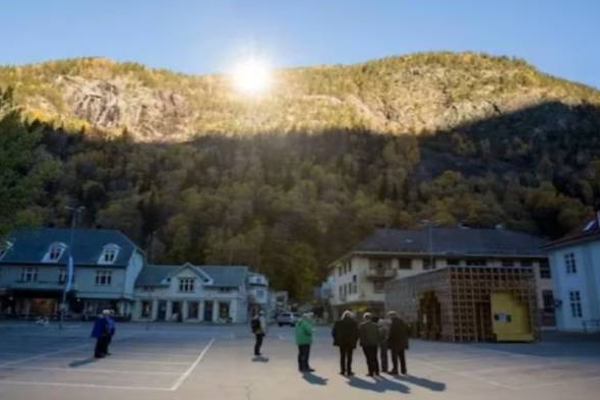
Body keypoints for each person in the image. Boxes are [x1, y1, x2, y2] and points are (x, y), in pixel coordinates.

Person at [332, 310, 359, 376]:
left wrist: (336, 339)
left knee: (342, 356)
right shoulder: (354, 323)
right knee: (349, 356)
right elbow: (357, 333)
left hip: (342, 342)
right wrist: (355, 340)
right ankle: (349, 371)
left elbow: (333, 332)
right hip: (350, 342)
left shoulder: (338, 323)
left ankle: (342, 371)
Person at [387, 311, 409, 375]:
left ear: (392, 316)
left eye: (390, 316)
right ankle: (403, 370)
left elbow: (392, 333)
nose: (389, 317)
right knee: (402, 357)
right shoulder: (402, 321)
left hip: (395, 343)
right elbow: (408, 330)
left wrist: (388, 339)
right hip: (402, 343)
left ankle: (395, 370)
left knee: (394, 358)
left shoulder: (394, 323)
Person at [359, 312, 380, 377]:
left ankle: (371, 372)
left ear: (364, 318)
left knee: (368, 358)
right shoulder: (375, 325)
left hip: (366, 344)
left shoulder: (362, 325)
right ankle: (377, 371)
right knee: (374, 357)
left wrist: (361, 342)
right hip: (374, 343)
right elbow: (378, 334)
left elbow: (361, 335)